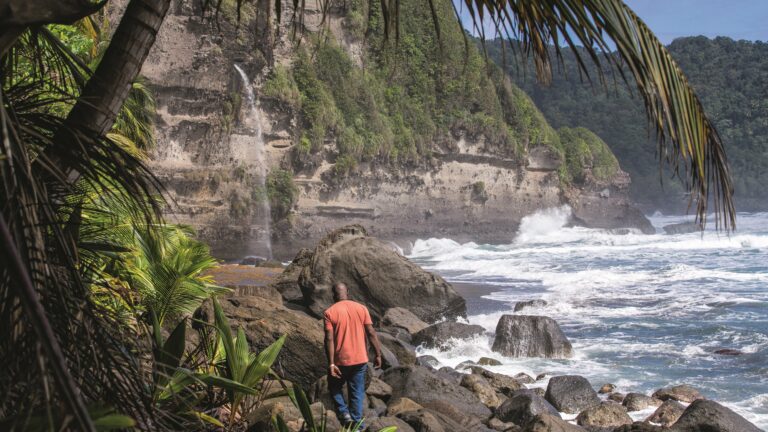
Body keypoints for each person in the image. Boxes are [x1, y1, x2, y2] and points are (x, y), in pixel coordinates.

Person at [323, 282, 382, 429]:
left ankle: (344, 413)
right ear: (347, 293)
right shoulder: (362, 308)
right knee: (356, 394)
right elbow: (371, 333)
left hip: (340, 361)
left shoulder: (329, 312)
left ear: (333, 295)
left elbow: (329, 339)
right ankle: (357, 428)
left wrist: (331, 363)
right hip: (360, 359)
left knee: (334, 387)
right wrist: (378, 354)